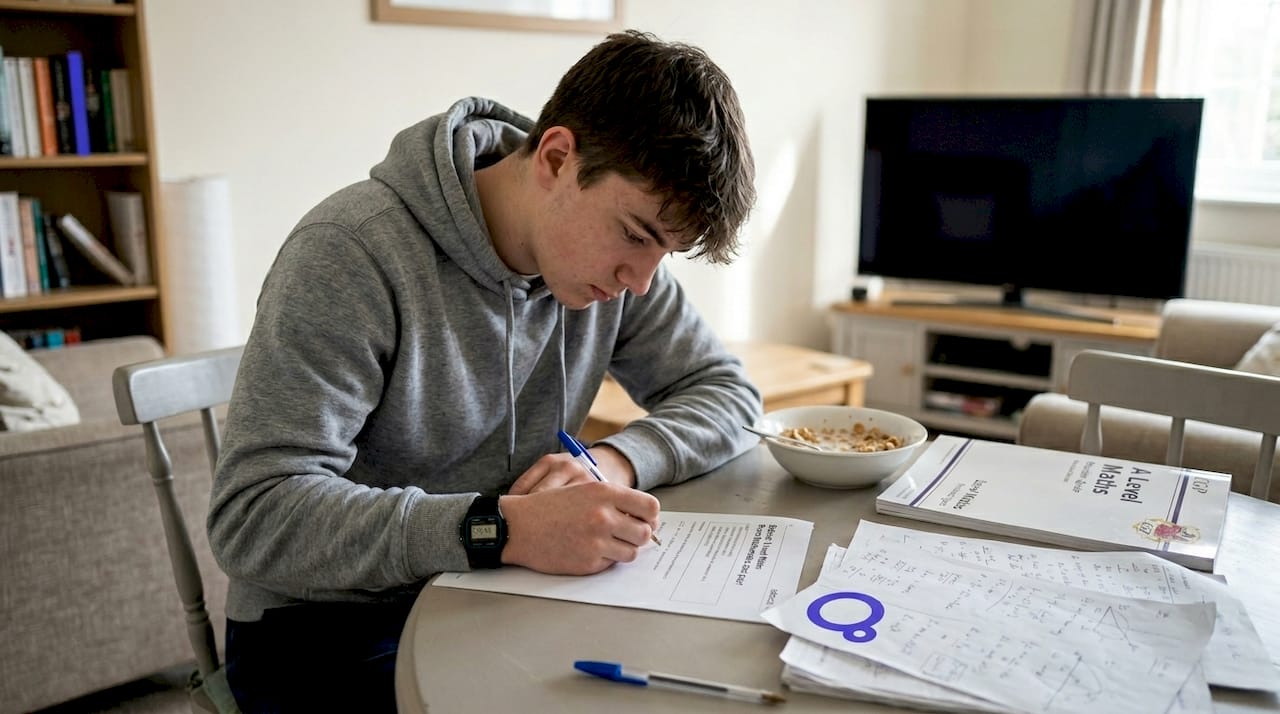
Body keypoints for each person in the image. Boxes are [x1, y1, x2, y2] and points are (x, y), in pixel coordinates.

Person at [207, 29, 761, 712]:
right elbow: (254, 516)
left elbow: (728, 393)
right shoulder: (350, 252)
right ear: (556, 158)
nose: (641, 281)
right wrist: (504, 528)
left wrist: (614, 462)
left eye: (665, 253)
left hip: (500, 586)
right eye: (636, 235)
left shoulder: (611, 269)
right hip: (328, 626)